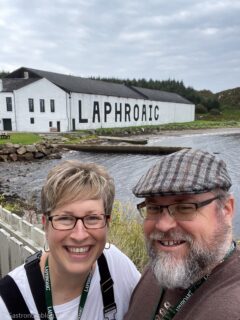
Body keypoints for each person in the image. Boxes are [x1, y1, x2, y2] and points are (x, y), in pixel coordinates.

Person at [0, 160, 140, 320]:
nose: (79, 235)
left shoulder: (116, 266)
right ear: (46, 225)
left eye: (93, 218)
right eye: (65, 218)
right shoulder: (8, 305)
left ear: (107, 223)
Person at [124, 148, 240, 320]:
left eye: (184, 208)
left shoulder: (231, 307)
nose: (163, 225)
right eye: (154, 208)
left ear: (226, 209)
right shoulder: (157, 270)